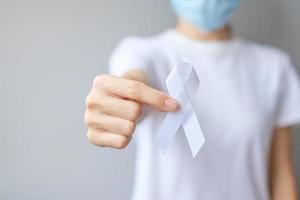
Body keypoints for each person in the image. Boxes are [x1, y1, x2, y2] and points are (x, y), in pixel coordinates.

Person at [84, 0, 300, 199]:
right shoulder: (143, 52)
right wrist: (120, 98)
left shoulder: (274, 67)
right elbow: (133, 79)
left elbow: (281, 175)